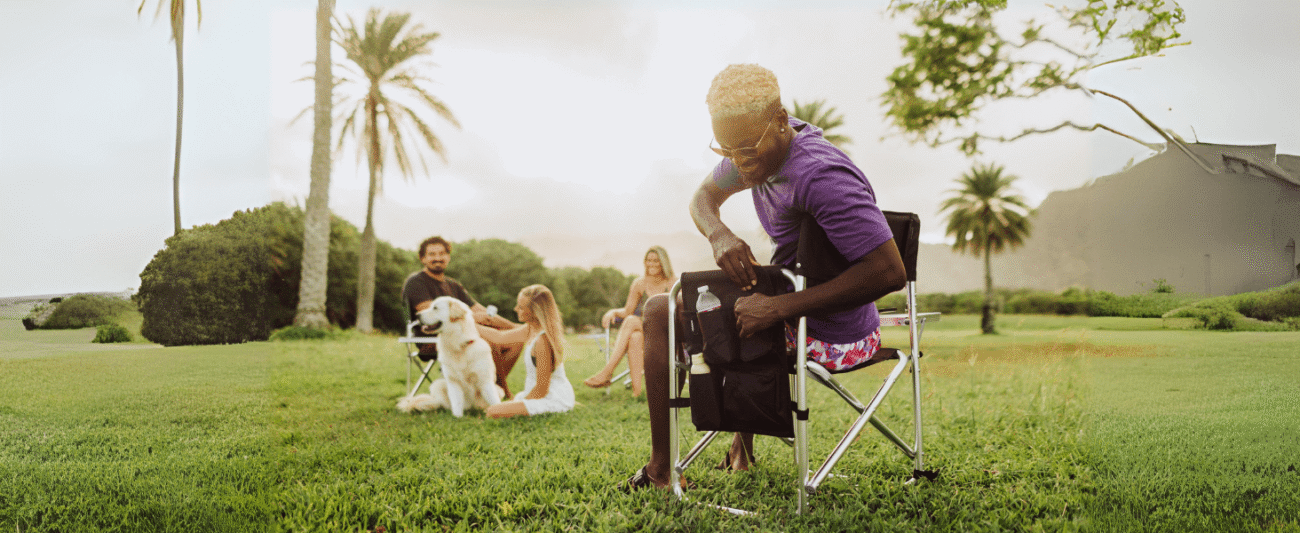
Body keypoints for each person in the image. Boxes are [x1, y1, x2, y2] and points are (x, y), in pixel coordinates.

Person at [623, 64, 907, 490]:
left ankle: (661, 470)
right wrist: (719, 234)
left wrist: (779, 308)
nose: (738, 163)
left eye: (746, 151)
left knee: (661, 310)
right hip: (787, 304)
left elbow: (889, 271)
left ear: (780, 121)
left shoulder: (821, 176)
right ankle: (738, 446)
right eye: (726, 151)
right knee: (736, 294)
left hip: (838, 335)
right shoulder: (753, 142)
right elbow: (702, 198)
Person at [401, 236, 525, 397]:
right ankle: (503, 392)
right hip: (433, 339)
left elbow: (484, 313)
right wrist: (473, 317)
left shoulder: (453, 285)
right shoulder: (416, 282)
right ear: (422, 258)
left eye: (442, 253)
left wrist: (517, 328)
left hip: (462, 335)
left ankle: (487, 390)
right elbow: (434, 316)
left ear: (448, 257)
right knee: (488, 341)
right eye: (432, 254)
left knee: (516, 341)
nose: (437, 258)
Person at [582, 245, 676, 397]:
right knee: (635, 337)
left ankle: (607, 372)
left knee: (632, 321)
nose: (651, 264)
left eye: (656, 260)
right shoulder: (639, 284)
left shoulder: (673, 283)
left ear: (663, 262)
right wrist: (613, 312)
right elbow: (627, 311)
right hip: (646, 334)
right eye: (649, 260)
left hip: (666, 333)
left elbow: (678, 312)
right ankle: (637, 392)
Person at [476, 285, 576, 419]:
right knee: (494, 409)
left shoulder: (542, 341)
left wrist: (521, 403)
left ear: (535, 311)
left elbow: (542, 390)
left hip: (551, 398)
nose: (515, 309)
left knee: (493, 412)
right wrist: (469, 322)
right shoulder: (530, 329)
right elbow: (499, 337)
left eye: (521, 307)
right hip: (535, 394)